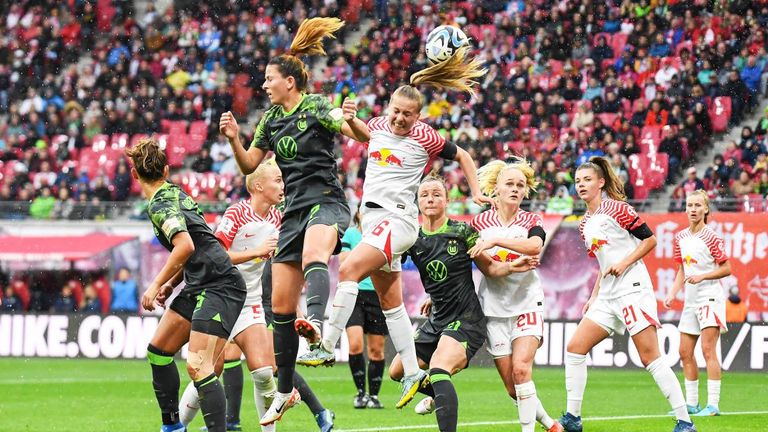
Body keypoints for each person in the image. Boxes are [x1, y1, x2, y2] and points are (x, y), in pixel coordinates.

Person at [299, 45, 491, 410]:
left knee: (351, 267)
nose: (400, 119)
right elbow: (362, 134)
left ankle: (325, 345)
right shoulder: (378, 126)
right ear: (388, 109)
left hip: (398, 218)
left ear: (419, 115)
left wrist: (477, 190)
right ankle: (416, 374)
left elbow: (463, 155)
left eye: (407, 115)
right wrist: (353, 119)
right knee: (391, 302)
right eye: (396, 112)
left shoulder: (426, 137)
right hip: (373, 218)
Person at [218, 17, 370, 423]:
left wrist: (352, 118)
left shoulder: (316, 105)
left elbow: (354, 132)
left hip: (326, 201)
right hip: (294, 212)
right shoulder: (269, 120)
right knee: (282, 308)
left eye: (269, 79)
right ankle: (285, 393)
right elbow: (251, 164)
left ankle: (319, 332)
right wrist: (235, 139)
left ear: (290, 81)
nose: (264, 85)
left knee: (314, 255)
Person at [390, 174, 539, 432]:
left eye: (437, 194)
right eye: (424, 194)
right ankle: (442, 396)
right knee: (398, 371)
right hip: (436, 319)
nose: (430, 199)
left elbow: (490, 270)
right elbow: (389, 264)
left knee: (438, 368)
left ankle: (443, 402)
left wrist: (513, 266)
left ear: (447, 200)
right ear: (417, 201)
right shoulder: (412, 237)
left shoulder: (462, 232)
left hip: (466, 319)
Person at [559, 157, 696, 432]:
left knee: (650, 357)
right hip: (608, 295)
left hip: (633, 288)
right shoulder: (584, 223)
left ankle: (685, 421)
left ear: (600, 182)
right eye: (577, 181)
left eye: (587, 180)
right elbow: (603, 264)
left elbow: (650, 239)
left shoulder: (617, 209)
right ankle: (573, 419)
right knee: (575, 349)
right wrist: (593, 296)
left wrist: (624, 263)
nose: (581, 185)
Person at [127, 138, 247, 432]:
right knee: (158, 350)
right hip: (199, 283)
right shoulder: (175, 194)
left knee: (199, 367)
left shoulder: (160, 203)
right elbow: (198, 245)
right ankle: (173, 427)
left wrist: (155, 285)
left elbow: (185, 246)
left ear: (134, 175)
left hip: (220, 284)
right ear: (166, 171)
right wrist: (171, 283)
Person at [177, 159, 284, 432]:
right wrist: (256, 251)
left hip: (250, 302)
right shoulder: (236, 213)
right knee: (210, 370)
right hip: (221, 298)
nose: (282, 186)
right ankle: (176, 426)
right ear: (258, 186)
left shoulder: (277, 217)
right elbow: (218, 257)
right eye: (277, 180)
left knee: (263, 372)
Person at [467, 159, 562, 432]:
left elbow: (534, 246)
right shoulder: (479, 223)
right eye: (509, 183)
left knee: (522, 370)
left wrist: (496, 241)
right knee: (513, 388)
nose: (515, 189)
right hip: (494, 309)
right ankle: (551, 424)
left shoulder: (532, 220)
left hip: (527, 303)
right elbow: (477, 265)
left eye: (520, 185)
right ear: (496, 187)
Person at [664, 190, 731, 417]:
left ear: (706, 209)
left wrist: (703, 276)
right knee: (684, 352)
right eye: (689, 205)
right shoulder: (680, 238)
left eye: (697, 205)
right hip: (690, 300)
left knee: (708, 350)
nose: (693, 209)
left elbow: (726, 268)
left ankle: (713, 405)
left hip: (710, 297)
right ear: (685, 208)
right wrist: (672, 293)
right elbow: (682, 269)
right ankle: (691, 404)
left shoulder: (711, 237)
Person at [341, 210, 388, 409]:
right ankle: (360, 393)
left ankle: (374, 396)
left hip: (377, 295)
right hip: (354, 292)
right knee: (355, 345)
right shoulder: (351, 234)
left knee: (376, 350)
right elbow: (344, 260)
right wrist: (369, 254)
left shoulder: (384, 235)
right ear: (359, 214)